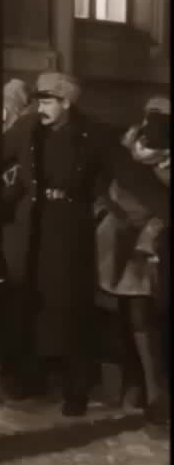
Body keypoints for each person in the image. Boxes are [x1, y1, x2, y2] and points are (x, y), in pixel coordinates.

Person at [0, 72, 168, 416]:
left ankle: (76, 387)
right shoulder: (27, 128)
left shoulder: (94, 134)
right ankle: (30, 377)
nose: (40, 108)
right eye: (39, 101)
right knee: (26, 303)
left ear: (66, 103)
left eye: (48, 102)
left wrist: (165, 206)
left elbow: (132, 176)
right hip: (29, 227)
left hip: (69, 230)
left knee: (70, 309)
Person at [94, 97, 170, 425]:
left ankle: (151, 391)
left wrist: (150, 234)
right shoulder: (125, 150)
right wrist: (108, 212)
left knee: (141, 315)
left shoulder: (154, 162)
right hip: (117, 240)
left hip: (146, 247)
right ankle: (134, 384)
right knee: (124, 315)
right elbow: (103, 185)